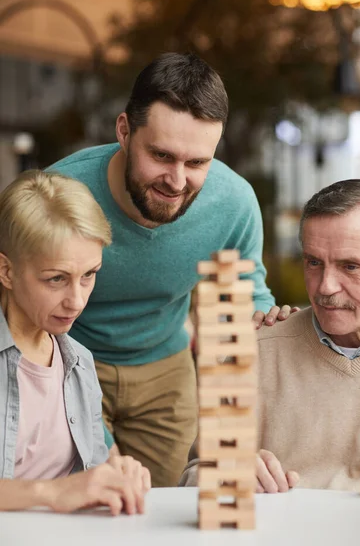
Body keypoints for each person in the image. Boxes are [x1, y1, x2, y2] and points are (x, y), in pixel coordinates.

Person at [48, 52, 295, 487]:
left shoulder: (233, 203)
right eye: (161, 155)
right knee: (85, 507)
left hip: (166, 370)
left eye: (198, 163)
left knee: (162, 509)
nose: (177, 181)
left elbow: (247, 296)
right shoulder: (60, 195)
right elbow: (19, 312)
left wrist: (269, 322)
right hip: (67, 362)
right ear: (124, 131)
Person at [181, 179, 360, 501]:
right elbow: (193, 477)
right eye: (313, 262)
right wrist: (225, 476)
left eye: (350, 266)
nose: (325, 287)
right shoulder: (255, 352)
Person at [0, 170, 150, 514]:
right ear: (6, 271)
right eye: (56, 279)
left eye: (89, 275)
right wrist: (51, 493)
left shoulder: (78, 362)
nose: (77, 301)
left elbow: (88, 475)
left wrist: (114, 474)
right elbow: (63, 490)